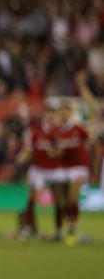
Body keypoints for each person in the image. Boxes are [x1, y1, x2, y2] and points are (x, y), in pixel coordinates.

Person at [14, 103, 62, 241]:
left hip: (55, 169)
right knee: (31, 197)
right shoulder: (35, 131)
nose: (50, 117)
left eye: (53, 114)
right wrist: (20, 159)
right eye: (48, 114)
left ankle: (58, 230)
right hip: (38, 168)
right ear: (44, 115)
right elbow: (28, 150)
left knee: (59, 199)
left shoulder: (59, 131)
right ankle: (28, 229)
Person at [53, 100, 97, 246]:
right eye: (61, 112)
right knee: (60, 201)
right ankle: (60, 230)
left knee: (72, 198)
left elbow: (94, 145)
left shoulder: (79, 129)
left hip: (79, 166)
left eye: (66, 111)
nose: (63, 114)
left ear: (70, 113)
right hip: (63, 167)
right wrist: (54, 153)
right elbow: (55, 151)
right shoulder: (56, 131)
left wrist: (94, 167)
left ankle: (72, 227)